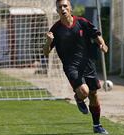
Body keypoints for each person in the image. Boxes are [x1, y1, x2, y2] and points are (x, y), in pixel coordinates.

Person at [44, 0, 108, 134]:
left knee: (93, 95)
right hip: (71, 67)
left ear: (70, 8)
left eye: (65, 6)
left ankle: (97, 126)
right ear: (57, 10)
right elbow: (46, 52)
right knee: (84, 91)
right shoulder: (55, 29)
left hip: (87, 64)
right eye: (60, 7)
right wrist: (49, 42)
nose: (63, 9)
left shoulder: (82, 22)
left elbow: (96, 34)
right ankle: (79, 97)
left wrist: (102, 44)